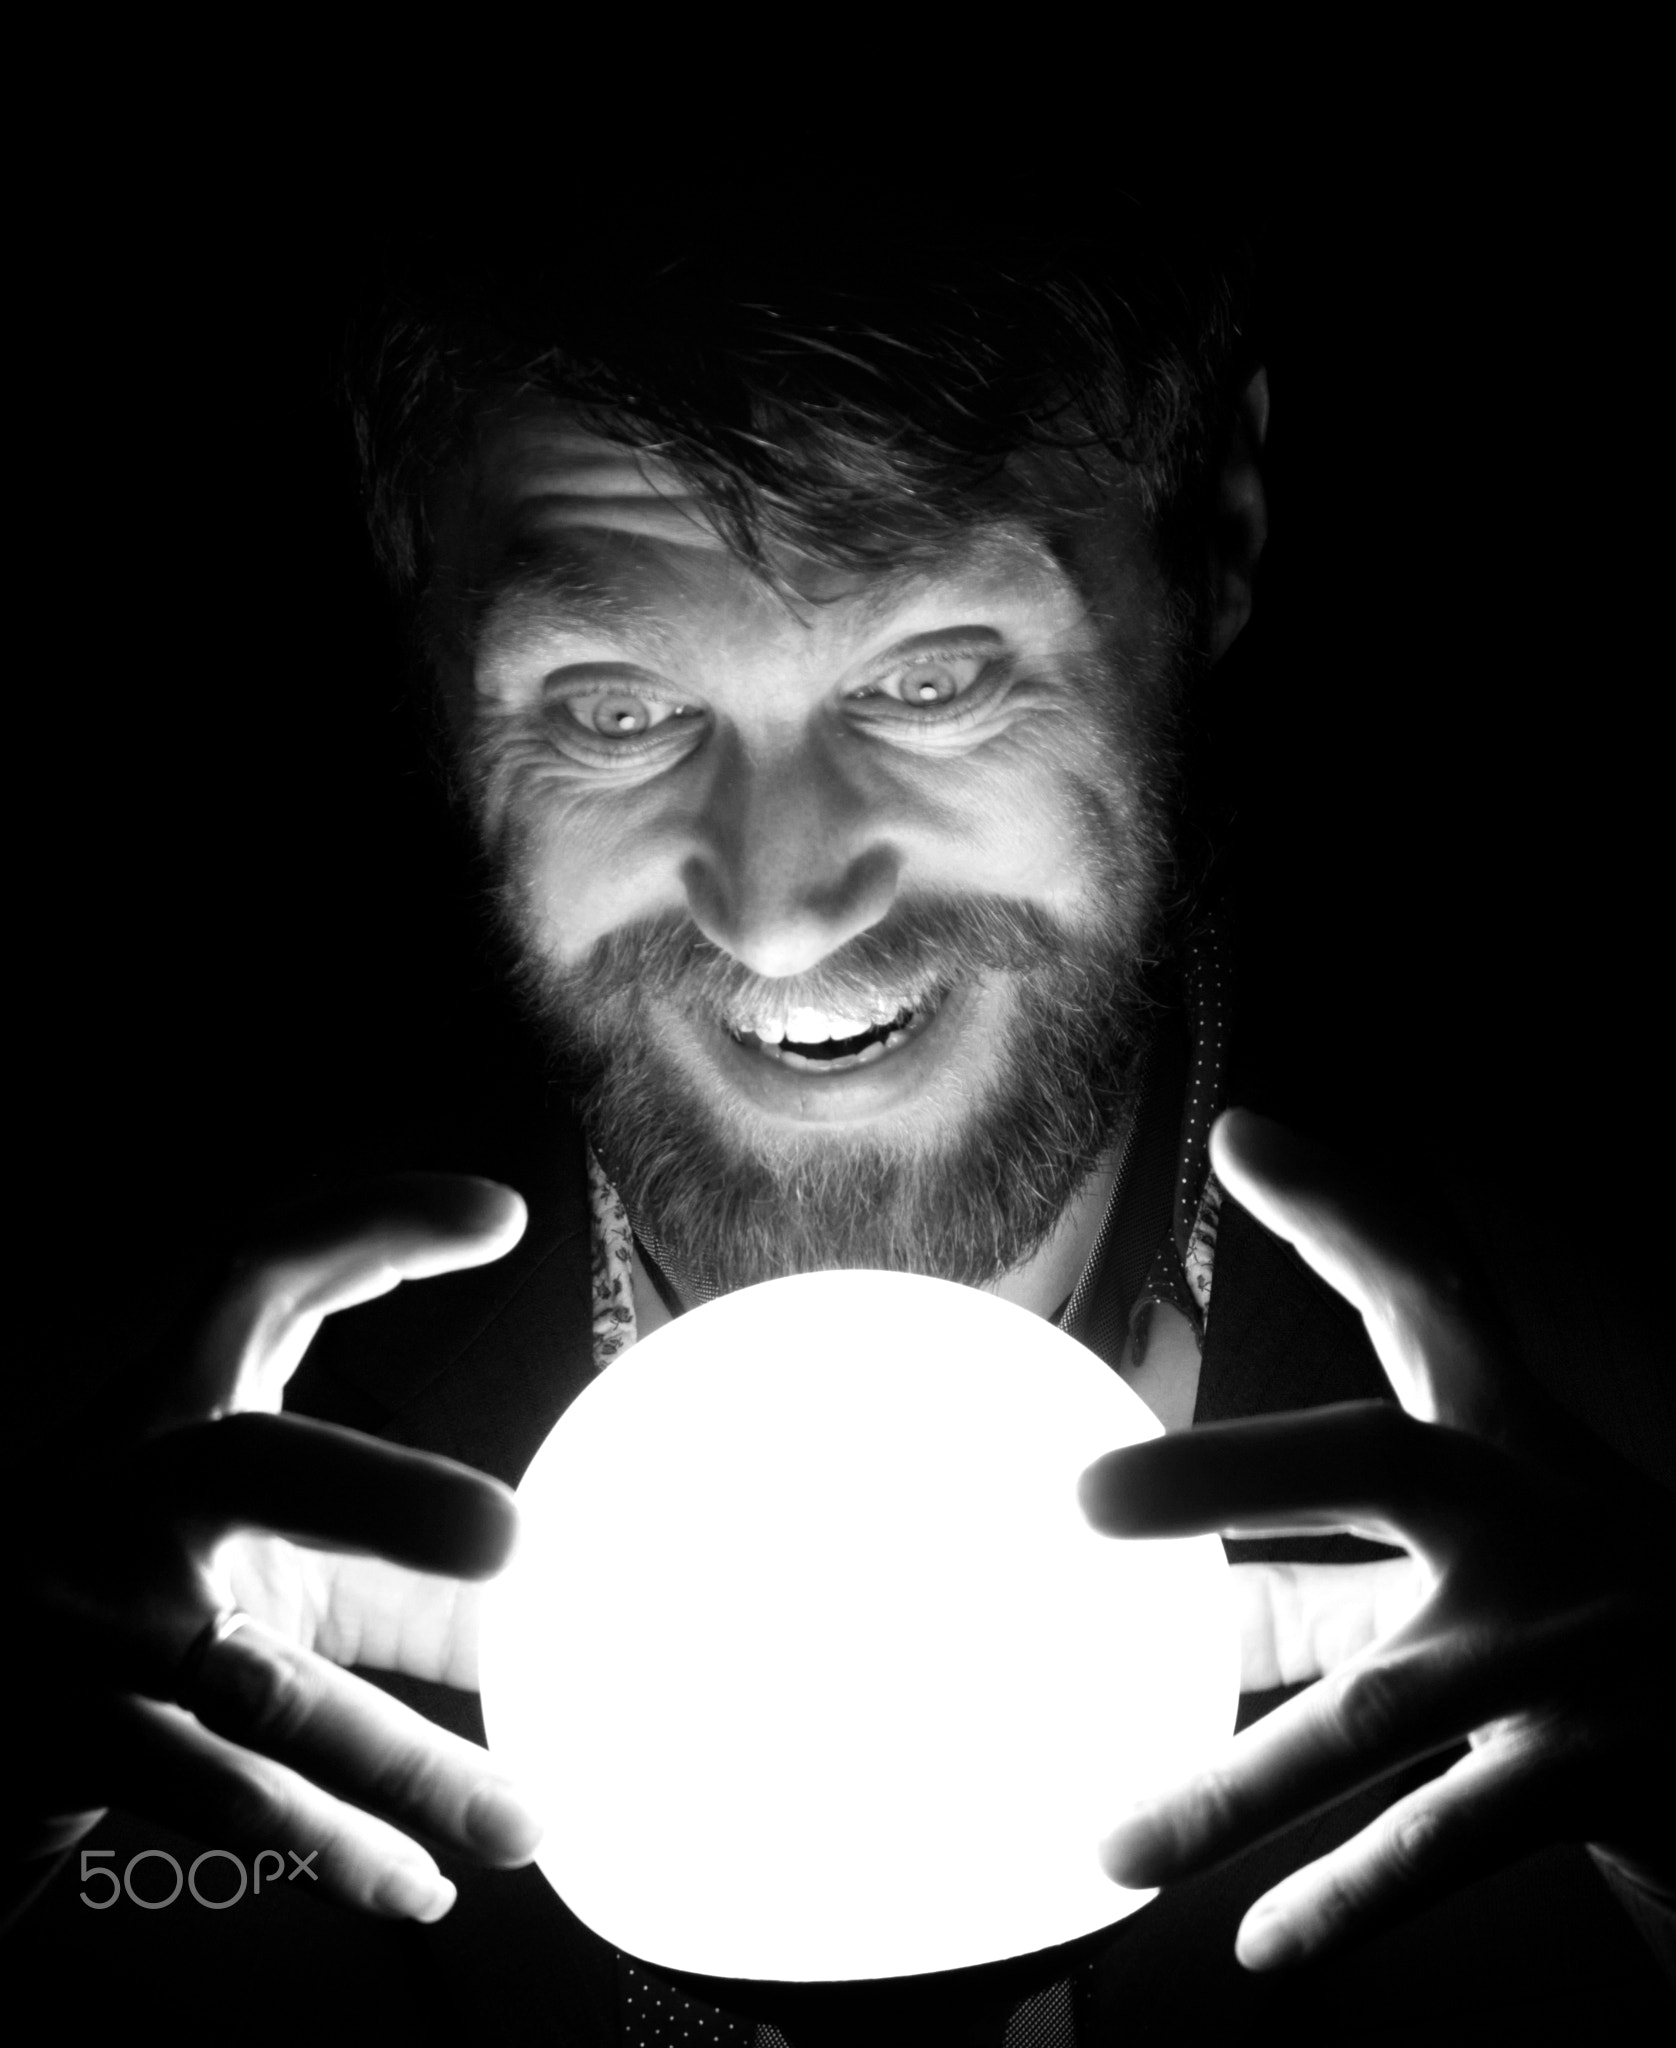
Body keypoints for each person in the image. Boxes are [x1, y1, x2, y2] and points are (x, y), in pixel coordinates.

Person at [7, 186, 1673, 2044]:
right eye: (621, 709)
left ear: (1215, 539)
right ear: (430, 658)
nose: (781, 906)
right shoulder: (78, 1469)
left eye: (932, 679)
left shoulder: (1640, 1407)